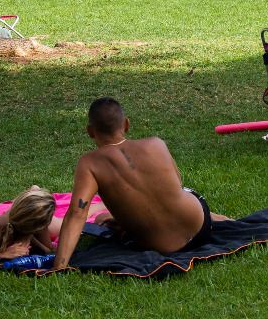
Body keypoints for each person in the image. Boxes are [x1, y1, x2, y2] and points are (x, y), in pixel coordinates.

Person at [51, 98, 233, 272]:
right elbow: (174, 187)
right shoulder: (156, 143)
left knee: (102, 220)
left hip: (161, 246)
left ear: (90, 131)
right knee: (181, 194)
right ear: (127, 124)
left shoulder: (90, 163)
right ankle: (227, 221)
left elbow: (77, 213)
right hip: (200, 227)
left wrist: (58, 267)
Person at [0, 186, 110, 267]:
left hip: (27, 221)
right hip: (21, 221)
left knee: (68, 225)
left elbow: (48, 250)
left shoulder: (35, 224)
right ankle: (33, 192)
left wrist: (34, 243)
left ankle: (103, 205)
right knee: (58, 229)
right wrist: (3, 255)